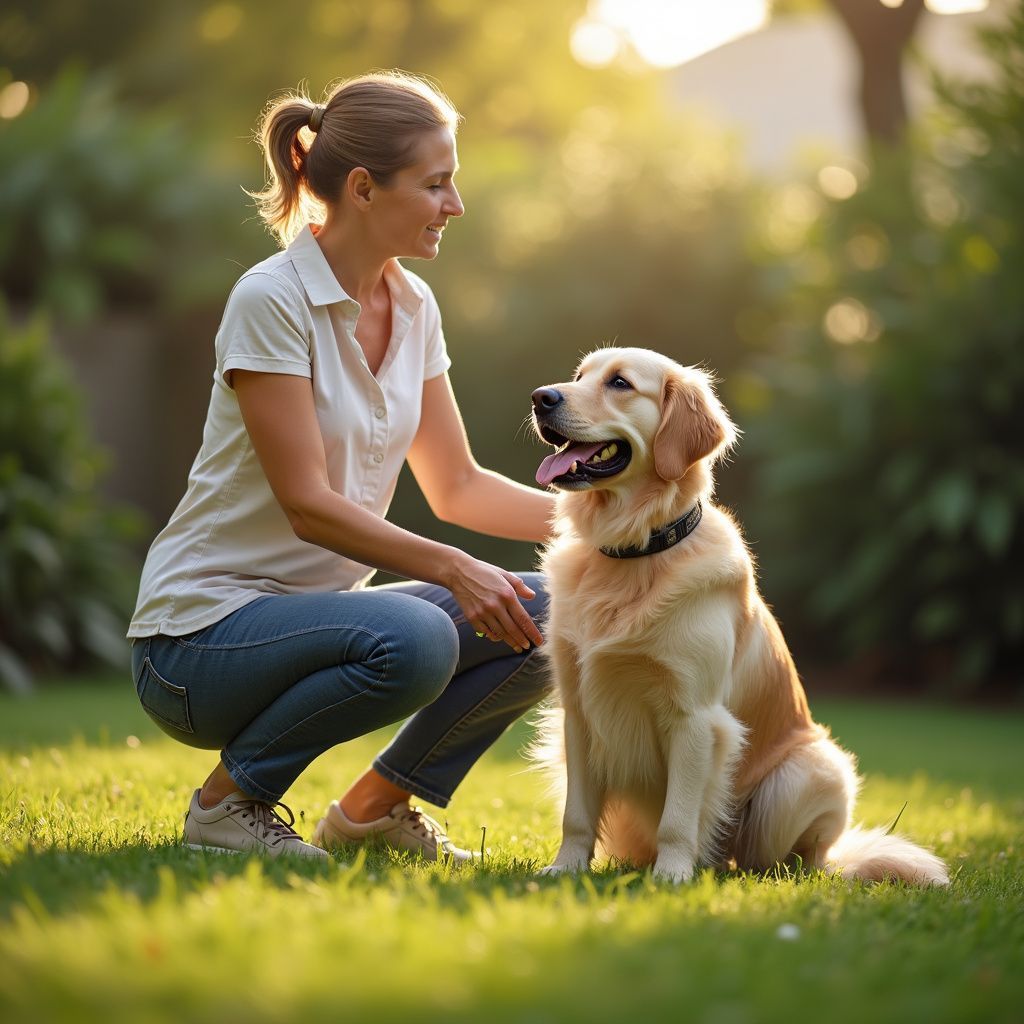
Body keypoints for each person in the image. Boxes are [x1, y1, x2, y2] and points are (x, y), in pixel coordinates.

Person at [127, 71, 555, 861]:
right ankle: (227, 809)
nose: (455, 205)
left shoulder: (417, 307)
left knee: (551, 617)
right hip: (195, 646)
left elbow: (455, 486)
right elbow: (308, 505)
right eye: (436, 184)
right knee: (423, 635)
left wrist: (631, 522)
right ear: (363, 188)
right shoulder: (272, 298)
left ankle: (370, 812)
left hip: (324, 626)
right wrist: (457, 571)